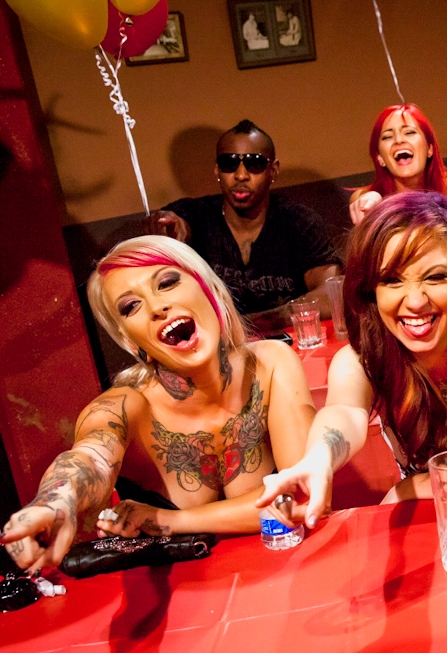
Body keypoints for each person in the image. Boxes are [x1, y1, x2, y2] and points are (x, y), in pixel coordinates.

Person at [1, 236, 314, 573]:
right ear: (129, 339)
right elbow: (90, 458)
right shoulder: (126, 406)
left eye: (166, 283)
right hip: (190, 596)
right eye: (131, 307)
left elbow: (302, 498)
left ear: (208, 288)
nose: (156, 307)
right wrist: (56, 501)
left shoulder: (270, 365)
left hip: (288, 574)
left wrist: (166, 520)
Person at [259, 191, 447, 528]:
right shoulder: (363, 358)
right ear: (371, 289)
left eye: (435, 277)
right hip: (434, 525)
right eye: (392, 280)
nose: (415, 301)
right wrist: (319, 459)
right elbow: (344, 414)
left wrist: (413, 487)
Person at [142, 119, 341, 331]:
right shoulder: (195, 216)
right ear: (217, 170)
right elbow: (173, 223)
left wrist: (254, 324)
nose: (241, 175)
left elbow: (332, 294)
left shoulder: (299, 222)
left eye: (254, 164)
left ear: (273, 170)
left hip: (289, 342)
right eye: (229, 164)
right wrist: (168, 230)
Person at [348, 104, 447, 291]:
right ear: (380, 158)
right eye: (388, 137)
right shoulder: (368, 200)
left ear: (429, 148)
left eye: (409, 132)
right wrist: (375, 206)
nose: (399, 140)